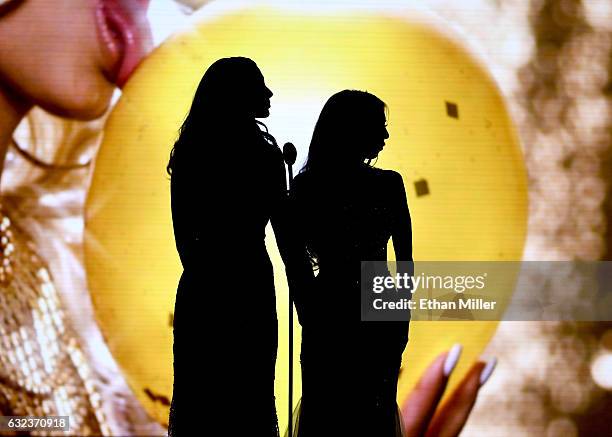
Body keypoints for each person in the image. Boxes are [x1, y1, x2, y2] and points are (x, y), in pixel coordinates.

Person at [167, 56, 312, 436]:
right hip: (250, 284)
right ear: (237, 95)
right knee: (250, 395)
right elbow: (286, 235)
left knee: (202, 398)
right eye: (258, 85)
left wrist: (209, 275)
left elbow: (184, 238)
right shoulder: (264, 155)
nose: (268, 93)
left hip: (203, 286)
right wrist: (305, 293)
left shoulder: (190, 153)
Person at [290, 90, 411, 436]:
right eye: (379, 127)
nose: (386, 136)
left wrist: (306, 306)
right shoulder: (388, 185)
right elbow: (405, 263)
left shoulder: (306, 187)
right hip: (371, 311)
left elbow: (296, 263)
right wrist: (400, 321)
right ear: (353, 130)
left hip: (327, 307)